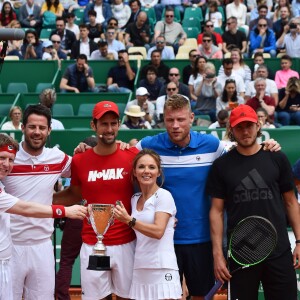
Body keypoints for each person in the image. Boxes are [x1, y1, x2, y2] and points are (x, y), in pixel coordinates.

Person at [75, 95, 281, 300]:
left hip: (200, 240)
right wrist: (86, 149)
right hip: (162, 244)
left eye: (181, 119)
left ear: (191, 118)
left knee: (200, 296)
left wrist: (266, 146)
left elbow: (243, 156)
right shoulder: (149, 146)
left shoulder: (212, 146)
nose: (175, 125)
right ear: (163, 119)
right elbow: (117, 151)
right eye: (170, 120)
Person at [206, 104, 300, 300]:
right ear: (231, 130)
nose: (245, 131)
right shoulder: (221, 166)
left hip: (279, 251)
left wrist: (299, 241)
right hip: (242, 255)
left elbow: (291, 202)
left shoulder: (277, 158)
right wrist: (217, 254)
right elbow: (216, 211)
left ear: (259, 125)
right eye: (239, 127)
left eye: (249, 125)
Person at [53, 101, 139, 300]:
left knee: (128, 297)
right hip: (92, 243)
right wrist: (43, 198)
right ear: (94, 125)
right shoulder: (80, 160)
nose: (109, 129)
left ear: (119, 125)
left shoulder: (131, 155)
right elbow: (74, 194)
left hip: (126, 242)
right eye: (104, 124)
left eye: (113, 123)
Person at [1, 104, 77, 300]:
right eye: (32, 127)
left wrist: (84, 149)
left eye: (42, 128)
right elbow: (23, 206)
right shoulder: (8, 159)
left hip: (42, 246)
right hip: (10, 247)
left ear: (49, 130)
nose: (37, 132)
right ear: (22, 127)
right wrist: (63, 210)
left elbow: (84, 169)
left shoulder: (58, 158)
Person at [114, 149, 182, 299]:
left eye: (152, 167)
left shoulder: (164, 196)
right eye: (141, 167)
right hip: (140, 267)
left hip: (163, 267)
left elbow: (158, 231)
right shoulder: (134, 199)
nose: (146, 171)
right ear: (134, 172)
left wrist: (129, 220)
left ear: (158, 172)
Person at [55, 136, 97, 300]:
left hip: (76, 216)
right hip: (94, 218)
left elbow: (68, 192)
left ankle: (62, 297)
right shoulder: (102, 167)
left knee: (66, 260)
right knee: (95, 262)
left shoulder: (77, 165)